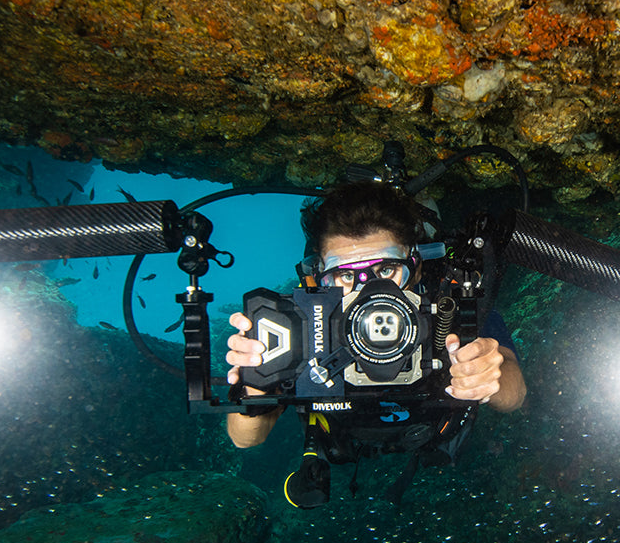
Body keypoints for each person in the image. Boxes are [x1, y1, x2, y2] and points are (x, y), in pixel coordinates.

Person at [225, 182, 526, 457]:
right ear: (319, 279)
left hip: (438, 435)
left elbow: (515, 394)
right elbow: (245, 438)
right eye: (344, 275)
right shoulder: (304, 324)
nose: (367, 290)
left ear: (416, 267)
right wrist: (257, 383)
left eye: (385, 270)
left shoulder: (449, 304)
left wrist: (490, 376)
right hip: (344, 441)